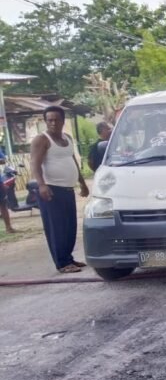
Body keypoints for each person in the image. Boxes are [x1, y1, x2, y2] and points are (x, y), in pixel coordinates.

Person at [30, 106, 90, 273]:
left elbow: (73, 161)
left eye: (56, 119)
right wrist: (42, 185)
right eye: (49, 120)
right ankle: (62, 263)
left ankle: (68, 258)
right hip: (51, 190)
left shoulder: (67, 138)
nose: (53, 123)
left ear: (63, 121)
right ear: (45, 121)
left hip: (67, 189)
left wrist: (82, 183)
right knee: (57, 228)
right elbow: (34, 164)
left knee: (69, 226)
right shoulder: (42, 140)